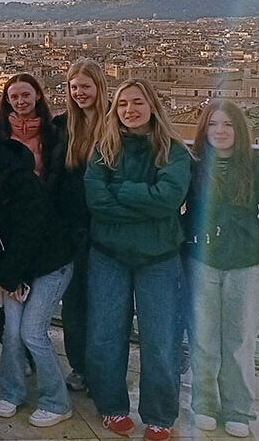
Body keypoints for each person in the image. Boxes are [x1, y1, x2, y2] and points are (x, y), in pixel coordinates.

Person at [84, 79, 191, 441]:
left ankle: (159, 415)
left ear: (152, 106)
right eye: (122, 104)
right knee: (104, 335)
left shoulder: (174, 150)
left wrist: (122, 192)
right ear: (114, 110)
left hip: (158, 258)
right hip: (109, 256)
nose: (129, 110)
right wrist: (146, 204)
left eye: (137, 102)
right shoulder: (104, 148)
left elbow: (168, 198)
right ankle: (112, 407)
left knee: (160, 340)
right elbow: (95, 201)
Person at [0, 107, 75, 427]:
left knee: (33, 332)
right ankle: (11, 391)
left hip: (49, 263)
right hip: (13, 266)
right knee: (11, 333)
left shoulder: (17, 174)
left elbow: (31, 230)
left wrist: (15, 276)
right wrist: (9, 276)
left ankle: (57, 401)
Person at [183, 101, 259, 438]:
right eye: (213, 124)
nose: (220, 131)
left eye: (228, 124)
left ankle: (238, 409)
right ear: (205, 130)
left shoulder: (255, 168)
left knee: (240, 341)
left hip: (246, 264)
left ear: (239, 130)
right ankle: (204, 404)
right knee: (203, 339)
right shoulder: (195, 168)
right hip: (202, 263)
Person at [50, 59, 108, 393]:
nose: (79, 93)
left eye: (85, 86)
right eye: (74, 87)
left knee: (105, 300)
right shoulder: (62, 126)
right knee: (74, 302)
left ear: (99, 87)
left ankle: (103, 366)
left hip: (106, 229)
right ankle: (80, 367)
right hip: (71, 229)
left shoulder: (117, 123)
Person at [0, 73, 57, 179]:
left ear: (38, 95)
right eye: (14, 97)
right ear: (8, 100)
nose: (20, 101)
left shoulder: (54, 132)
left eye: (26, 95)